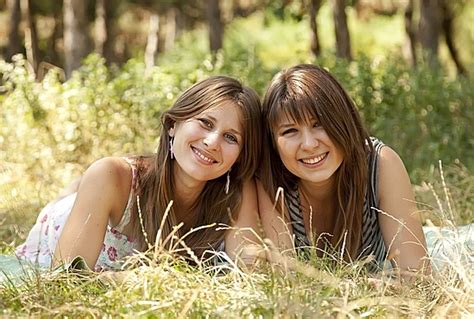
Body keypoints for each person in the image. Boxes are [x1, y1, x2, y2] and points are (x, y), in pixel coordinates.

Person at [16, 76, 262, 271]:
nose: (212, 142)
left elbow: (248, 275)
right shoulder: (110, 175)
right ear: (173, 125)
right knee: (73, 194)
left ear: (240, 155)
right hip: (62, 222)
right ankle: (72, 190)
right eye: (205, 123)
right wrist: (130, 281)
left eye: (231, 137)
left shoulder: (236, 192)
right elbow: (66, 277)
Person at [257, 64, 430, 275]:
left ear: (342, 121)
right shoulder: (270, 182)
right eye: (290, 131)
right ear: (273, 142)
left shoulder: (380, 164)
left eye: (318, 124)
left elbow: (417, 277)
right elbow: (286, 281)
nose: (309, 144)